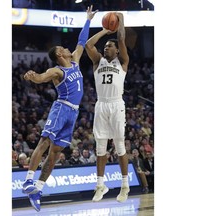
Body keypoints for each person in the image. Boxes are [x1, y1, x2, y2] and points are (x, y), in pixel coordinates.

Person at [21, 6, 98, 212]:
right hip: (61, 108)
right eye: (61, 48)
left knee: (55, 153)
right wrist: (32, 76)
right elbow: (41, 77)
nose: (66, 48)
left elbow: (81, 41)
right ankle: (28, 180)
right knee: (45, 142)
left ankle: (38, 189)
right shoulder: (56, 70)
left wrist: (88, 19)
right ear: (58, 55)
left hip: (73, 113)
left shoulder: (75, 60)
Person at [85, 12, 130, 202]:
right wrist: (104, 31)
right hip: (101, 104)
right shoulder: (98, 62)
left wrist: (120, 19)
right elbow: (89, 45)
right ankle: (100, 185)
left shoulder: (123, 62)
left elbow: (121, 37)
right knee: (100, 147)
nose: (106, 48)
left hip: (116, 104)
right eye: (105, 46)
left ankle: (125, 185)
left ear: (117, 51)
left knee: (119, 145)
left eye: (109, 46)